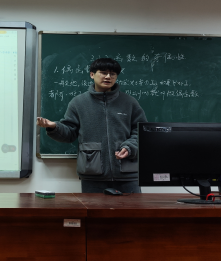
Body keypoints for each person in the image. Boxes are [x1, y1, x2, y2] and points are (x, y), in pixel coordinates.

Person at [37, 58, 147, 194]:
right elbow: (70, 133)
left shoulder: (129, 102)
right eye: (103, 72)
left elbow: (141, 131)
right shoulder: (78, 103)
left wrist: (129, 147)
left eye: (113, 74)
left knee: (132, 208)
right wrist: (54, 127)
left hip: (128, 174)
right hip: (93, 173)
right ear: (92, 74)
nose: (108, 77)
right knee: (93, 208)